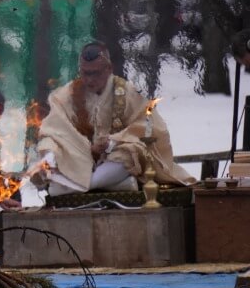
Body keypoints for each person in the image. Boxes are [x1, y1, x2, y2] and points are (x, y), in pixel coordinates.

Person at [29, 41, 195, 196]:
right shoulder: (68, 94)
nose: (89, 80)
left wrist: (113, 142)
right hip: (79, 157)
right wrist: (77, 148)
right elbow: (54, 127)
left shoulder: (127, 92)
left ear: (108, 69)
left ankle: (80, 187)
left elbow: (151, 126)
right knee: (49, 144)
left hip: (112, 159)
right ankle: (105, 184)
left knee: (130, 152)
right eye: (85, 73)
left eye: (95, 73)